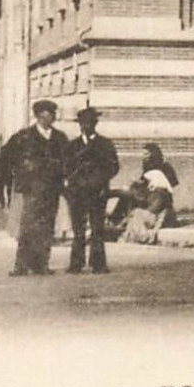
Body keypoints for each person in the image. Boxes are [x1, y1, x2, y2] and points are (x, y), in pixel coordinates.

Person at [0, 99, 70, 276]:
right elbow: (4, 160)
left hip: (52, 190)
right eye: (48, 113)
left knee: (47, 227)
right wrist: (11, 181)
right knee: (28, 227)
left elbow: (68, 161)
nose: (52, 116)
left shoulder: (60, 138)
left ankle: (41, 264)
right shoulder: (23, 137)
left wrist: (64, 180)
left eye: (53, 113)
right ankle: (21, 266)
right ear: (39, 116)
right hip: (30, 190)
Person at [64, 107, 120, 274]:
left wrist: (101, 178)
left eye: (89, 123)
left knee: (97, 229)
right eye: (83, 123)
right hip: (77, 193)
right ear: (79, 125)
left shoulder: (105, 144)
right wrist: (75, 179)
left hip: (98, 192)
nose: (86, 126)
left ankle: (98, 264)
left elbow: (114, 166)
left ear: (95, 124)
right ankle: (76, 264)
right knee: (78, 230)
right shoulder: (72, 146)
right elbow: (65, 167)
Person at [109, 143, 179, 235]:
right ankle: (115, 220)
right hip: (147, 193)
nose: (144, 157)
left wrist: (157, 184)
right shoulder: (147, 164)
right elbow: (143, 180)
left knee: (130, 195)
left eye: (147, 154)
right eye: (144, 154)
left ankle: (119, 222)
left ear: (154, 154)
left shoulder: (164, 166)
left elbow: (172, 182)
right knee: (127, 195)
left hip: (156, 195)